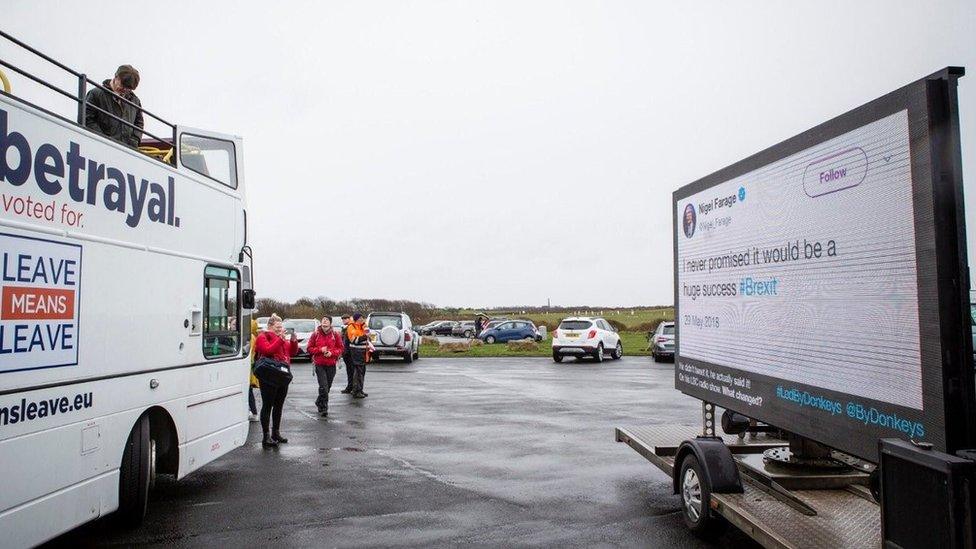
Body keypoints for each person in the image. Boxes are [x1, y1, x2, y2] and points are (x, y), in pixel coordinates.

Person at [254, 314, 298, 447]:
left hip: (281, 375)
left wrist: (294, 341)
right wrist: (279, 339)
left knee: (279, 406)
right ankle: (266, 436)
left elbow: (291, 352)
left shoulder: (281, 338)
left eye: (281, 327)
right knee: (267, 405)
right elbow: (267, 350)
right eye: (277, 327)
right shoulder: (263, 336)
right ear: (270, 326)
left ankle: (276, 433)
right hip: (269, 375)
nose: (280, 329)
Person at [84, 65, 144, 148]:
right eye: (123, 85)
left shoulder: (135, 101)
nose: (125, 90)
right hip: (100, 146)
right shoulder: (96, 94)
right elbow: (87, 118)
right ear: (116, 77)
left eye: (129, 88)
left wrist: (134, 141)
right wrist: (102, 138)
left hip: (126, 150)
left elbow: (139, 123)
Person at [307, 316, 344, 417]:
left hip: (331, 364)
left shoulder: (335, 335)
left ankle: (319, 401)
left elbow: (341, 348)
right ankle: (323, 407)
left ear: (330, 323)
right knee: (323, 386)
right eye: (323, 320)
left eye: (327, 320)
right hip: (319, 364)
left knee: (328, 387)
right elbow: (309, 349)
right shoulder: (315, 334)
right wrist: (320, 350)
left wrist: (331, 353)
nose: (324, 321)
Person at [346, 313, 370, 398]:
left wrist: (365, 328)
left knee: (362, 371)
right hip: (356, 352)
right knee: (358, 372)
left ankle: (359, 389)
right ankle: (357, 391)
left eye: (362, 318)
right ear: (356, 319)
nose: (362, 319)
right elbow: (354, 340)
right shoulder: (351, 327)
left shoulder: (362, 326)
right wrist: (365, 336)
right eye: (360, 318)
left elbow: (369, 336)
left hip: (363, 352)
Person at [339, 314, 355, 394]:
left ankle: (352, 387)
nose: (344, 320)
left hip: (350, 353)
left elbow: (349, 340)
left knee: (352, 371)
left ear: (349, 318)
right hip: (346, 352)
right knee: (349, 371)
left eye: (345, 319)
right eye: (343, 319)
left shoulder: (351, 326)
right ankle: (350, 387)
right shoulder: (346, 328)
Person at [248, 318, 259, 422]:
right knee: (249, 391)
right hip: (250, 368)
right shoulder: (253, 337)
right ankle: (253, 412)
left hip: (248, 369)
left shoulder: (250, 338)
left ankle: (254, 412)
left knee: (248, 391)